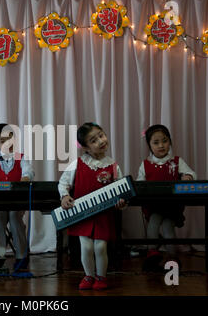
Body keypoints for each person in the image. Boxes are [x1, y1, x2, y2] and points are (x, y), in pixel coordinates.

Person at [58, 122, 126, 290]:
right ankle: (89, 275)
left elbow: (121, 189)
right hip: (83, 214)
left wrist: (121, 201)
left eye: (101, 135)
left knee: (100, 246)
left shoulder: (113, 166)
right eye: (94, 140)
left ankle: (101, 277)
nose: (101, 141)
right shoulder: (77, 164)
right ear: (86, 148)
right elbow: (63, 183)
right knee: (86, 247)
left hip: (104, 215)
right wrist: (65, 196)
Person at [137, 124, 196, 271]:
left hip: (171, 205)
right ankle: (152, 253)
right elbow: (139, 183)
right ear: (149, 146)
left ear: (170, 141)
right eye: (156, 143)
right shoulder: (145, 164)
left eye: (164, 141)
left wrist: (187, 176)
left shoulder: (176, 161)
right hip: (154, 205)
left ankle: (172, 258)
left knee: (169, 229)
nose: (161, 145)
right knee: (153, 225)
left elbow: (191, 173)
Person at [0, 123, 34, 270]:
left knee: (14, 216)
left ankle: (21, 255)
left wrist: (26, 177)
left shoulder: (22, 158)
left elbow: (28, 172)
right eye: (2, 141)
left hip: (17, 200)